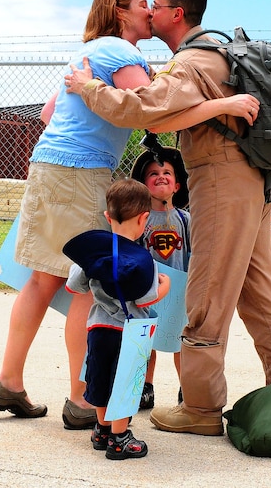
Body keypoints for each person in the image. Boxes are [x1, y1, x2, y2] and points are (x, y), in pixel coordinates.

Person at [0, 0, 262, 429]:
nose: (149, 12)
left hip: (50, 166)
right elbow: (156, 111)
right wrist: (221, 104)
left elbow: (47, 114)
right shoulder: (122, 52)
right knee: (89, 283)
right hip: (80, 172)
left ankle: (9, 382)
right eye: (141, 5)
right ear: (121, 13)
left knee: (44, 280)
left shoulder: (90, 53)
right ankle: (80, 399)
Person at [64, 0, 271, 437]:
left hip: (219, 179)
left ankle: (200, 407)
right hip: (252, 181)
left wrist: (88, 87)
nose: (148, 12)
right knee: (261, 289)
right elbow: (172, 111)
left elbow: (141, 108)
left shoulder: (192, 62)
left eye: (154, 5)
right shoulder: (219, 52)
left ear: (177, 14)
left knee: (208, 292)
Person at [63, 178, 171, 460]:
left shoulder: (97, 253)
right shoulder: (145, 260)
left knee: (99, 377)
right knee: (125, 382)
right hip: (131, 331)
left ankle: (101, 428)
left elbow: (74, 286)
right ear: (145, 219)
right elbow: (146, 299)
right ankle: (120, 437)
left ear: (107, 217)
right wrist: (166, 286)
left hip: (98, 326)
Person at [131, 142, 190, 409]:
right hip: (148, 286)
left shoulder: (185, 219)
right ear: (143, 185)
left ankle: (188, 387)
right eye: (153, 173)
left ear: (177, 186)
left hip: (178, 289)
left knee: (181, 341)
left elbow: (192, 251)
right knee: (148, 340)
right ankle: (145, 385)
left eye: (167, 173)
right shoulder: (140, 218)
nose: (161, 176)